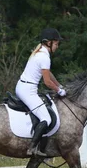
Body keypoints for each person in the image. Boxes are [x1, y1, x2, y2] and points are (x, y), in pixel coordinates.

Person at [15, 28, 67, 156]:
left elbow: (49, 74)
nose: (57, 46)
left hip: (24, 87)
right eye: (56, 44)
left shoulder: (39, 53)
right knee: (46, 118)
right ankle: (32, 148)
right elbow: (47, 82)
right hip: (28, 91)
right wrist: (59, 91)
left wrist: (59, 85)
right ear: (48, 43)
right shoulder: (44, 57)